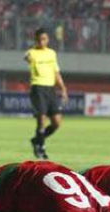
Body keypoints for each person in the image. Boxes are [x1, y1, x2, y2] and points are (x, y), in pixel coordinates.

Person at [25, 28, 68, 160]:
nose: (41, 41)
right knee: (41, 119)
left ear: (48, 39)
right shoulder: (31, 53)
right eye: (39, 39)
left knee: (56, 122)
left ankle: (36, 140)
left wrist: (63, 89)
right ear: (35, 40)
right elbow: (26, 57)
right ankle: (41, 148)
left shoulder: (51, 53)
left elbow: (56, 73)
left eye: (44, 39)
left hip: (51, 89)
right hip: (38, 87)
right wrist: (29, 56)